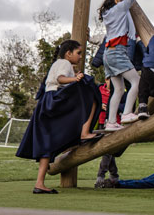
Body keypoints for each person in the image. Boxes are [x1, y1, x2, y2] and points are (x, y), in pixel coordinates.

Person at [16, 39, 100, 194]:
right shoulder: (64, 63)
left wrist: (74, 77)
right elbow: (60, 79)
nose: (81, 56)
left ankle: (39, 183)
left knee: (48, 142)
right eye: (79, 53)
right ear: (68, 53)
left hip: (46, 103)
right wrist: (75, 79)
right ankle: (84, 132)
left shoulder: (58, 63)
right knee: (91, 92)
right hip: (54, 102)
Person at [100, 0, 146, 128]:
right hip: (117, 51)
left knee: (118, 88)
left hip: (108, 54)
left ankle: (111, 122)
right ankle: (126, 113)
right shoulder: (120, 9)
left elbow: (106, 1)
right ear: (117, 0)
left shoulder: (106, 12)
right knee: (137, 81)